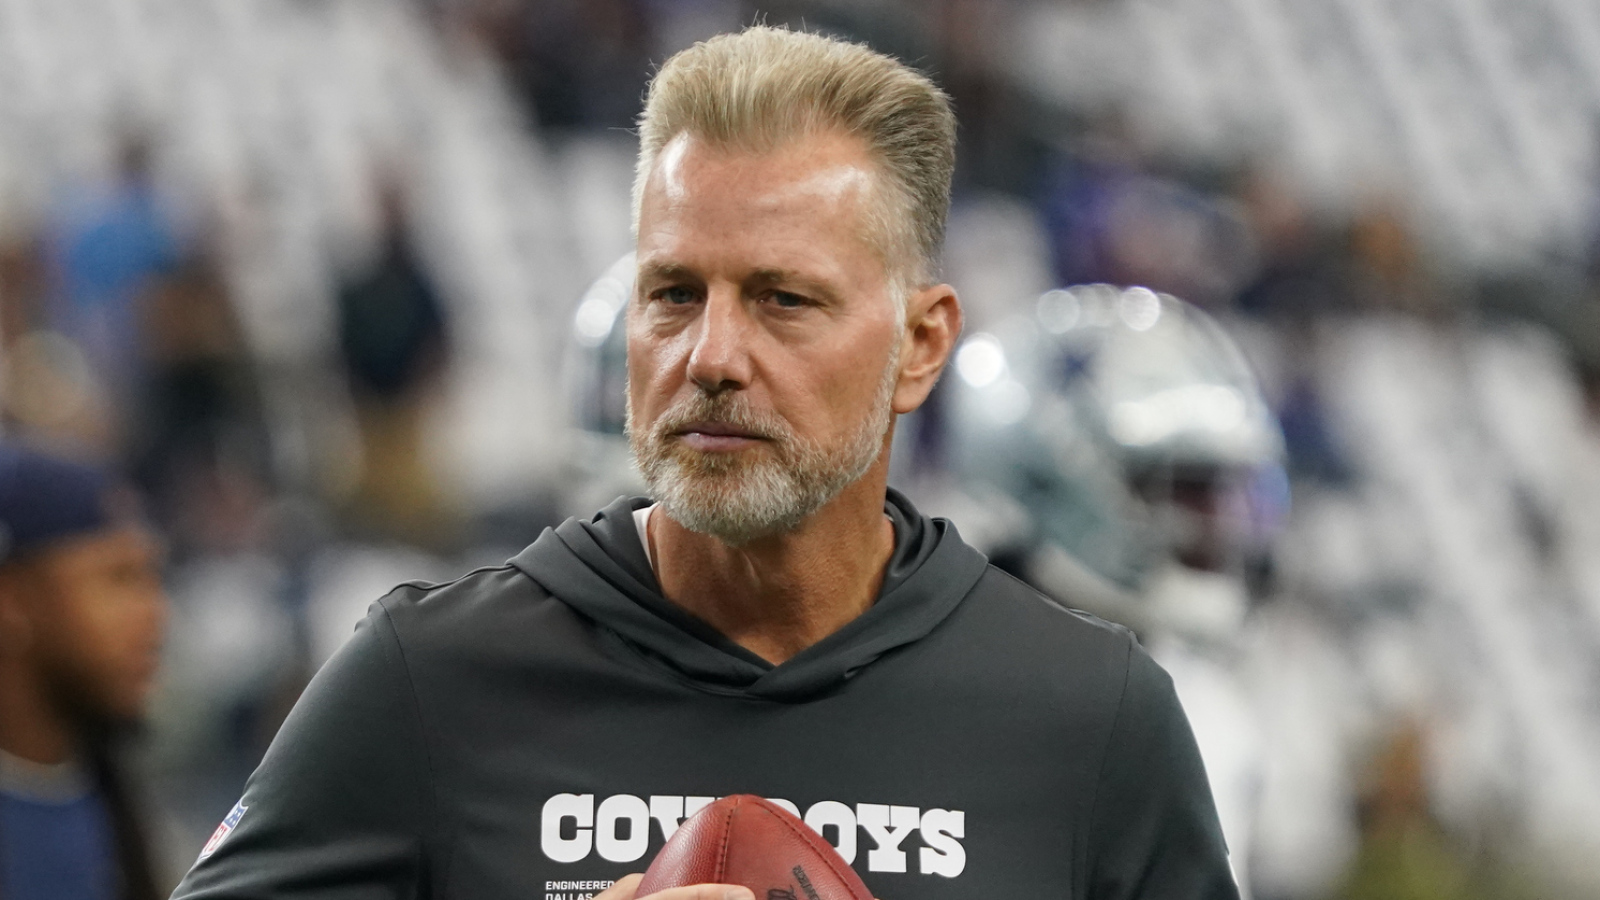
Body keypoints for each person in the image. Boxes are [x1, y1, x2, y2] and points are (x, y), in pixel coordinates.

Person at [173, 25, 1236, 900]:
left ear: (920, 346)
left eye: (783, 299)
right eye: (674, 293)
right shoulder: (426, 680)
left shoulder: (1094, 716)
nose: (711, 356)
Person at [0, 444, 168, 900]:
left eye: (152, 576)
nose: (154, 614)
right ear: (11, 601)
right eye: (118, 578)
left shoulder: (116, 807)